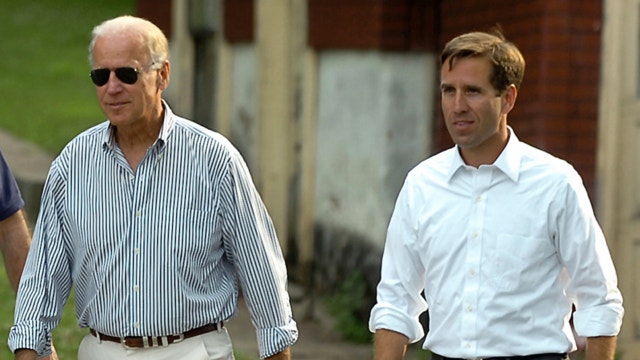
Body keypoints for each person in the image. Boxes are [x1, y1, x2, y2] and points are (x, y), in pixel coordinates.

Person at [9, 15, 297, 360]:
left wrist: (277, 349)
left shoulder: (214, 160)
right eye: (101, 76)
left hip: (194, 350)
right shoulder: (72, 165)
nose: (112, 87)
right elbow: (41, 278)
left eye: (126, 74)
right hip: (103, 350)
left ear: (162, 75)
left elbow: (260, 268)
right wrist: (28, 347)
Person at [368, 30, 624, 360]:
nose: (457, 106)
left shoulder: (555, 184)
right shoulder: (421, 185)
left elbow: (598, 297)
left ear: (508, 98)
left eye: (472, 91)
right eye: (449, 91)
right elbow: (395, 299)